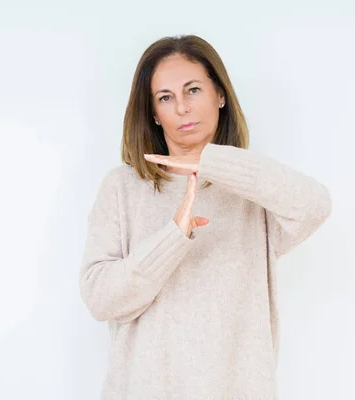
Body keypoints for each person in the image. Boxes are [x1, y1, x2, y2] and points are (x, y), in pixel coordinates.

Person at [79, 34, 332, 399]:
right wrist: (172, 237)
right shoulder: (123, 187)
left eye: (193, 90)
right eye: (165, 97)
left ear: (221, 95)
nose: (182, 107)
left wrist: (214, 163)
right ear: (153, 112)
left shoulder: (254, 193)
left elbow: (315, 206)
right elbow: (100, 300)